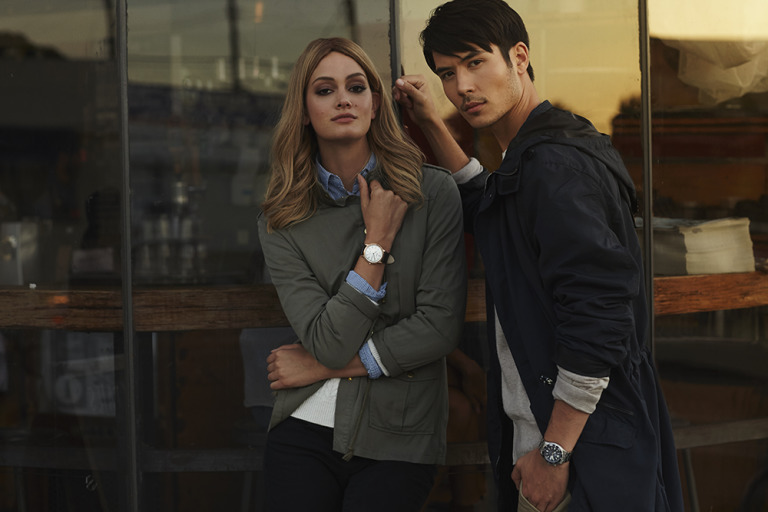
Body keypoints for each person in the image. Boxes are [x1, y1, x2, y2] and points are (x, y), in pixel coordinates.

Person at [393, 1, 685, 511]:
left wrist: (554, 452)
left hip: (581, 447)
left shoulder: (554, 165)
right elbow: (492, 207)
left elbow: (599, 314)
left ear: (519, 57)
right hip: (566, 437)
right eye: (447, 74)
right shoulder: (537, 153)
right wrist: (432, 124)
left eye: (475, 62)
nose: (462, 86)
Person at [257, 37, 467, 512]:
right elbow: (327, 340)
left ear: (375, 103)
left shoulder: (431, 193)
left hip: (401, 435)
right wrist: (377, 246)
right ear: (304, 112)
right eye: (325, 90)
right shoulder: (281, 220)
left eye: (356, 87)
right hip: (303, 430)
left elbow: (438, 327)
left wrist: (320, 365)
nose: (344, 100)